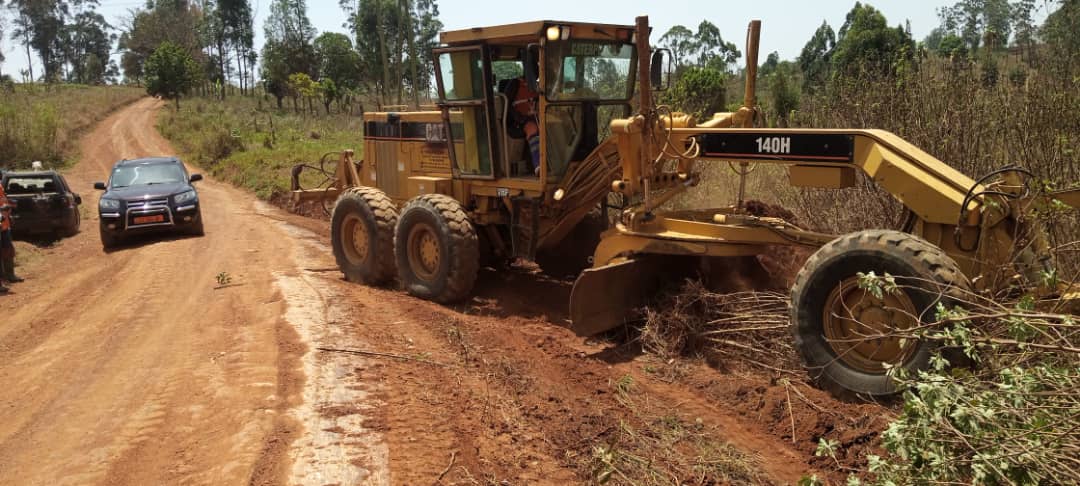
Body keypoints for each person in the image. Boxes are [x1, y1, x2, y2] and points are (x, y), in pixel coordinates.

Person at [508, 74, 541, 175]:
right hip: (521, 120)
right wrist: (521, 118)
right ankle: (538, 165)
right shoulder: (515, 84)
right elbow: (507, 105)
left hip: (538, 117)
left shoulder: (538, 86)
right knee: (533, 129)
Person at [0, 171, 19, 294]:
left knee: (8, 250)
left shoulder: (0, 186)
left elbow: (3, 200)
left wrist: (8, 206)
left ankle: (10, 275)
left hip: (3, 225)